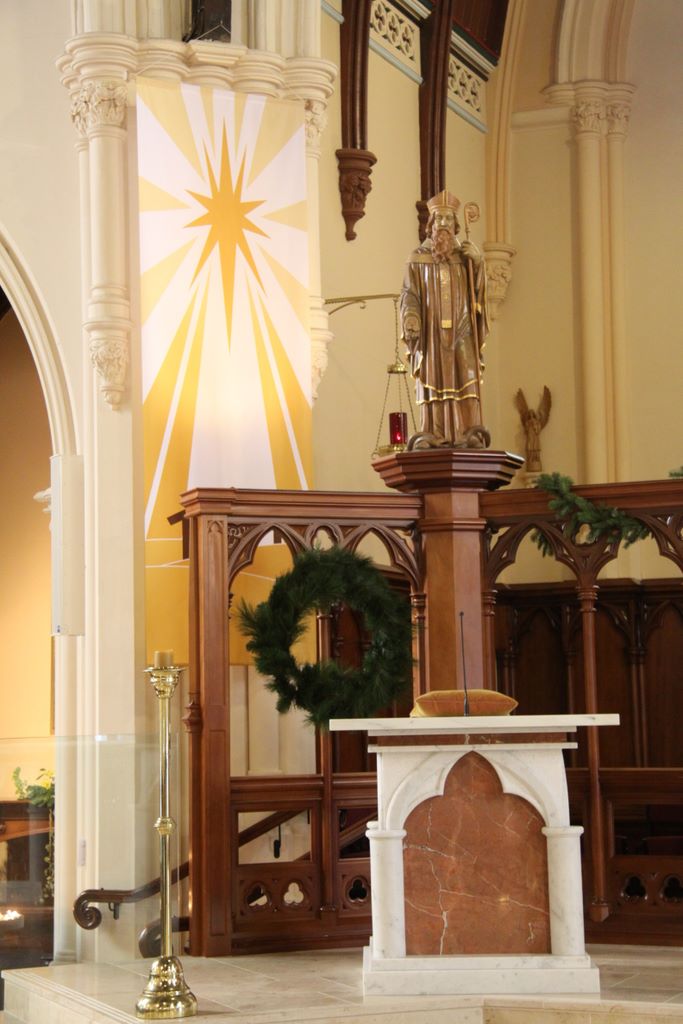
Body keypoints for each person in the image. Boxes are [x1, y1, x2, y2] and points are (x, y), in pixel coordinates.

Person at [400, 190, 489, 447]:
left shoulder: (466, 259)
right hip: (431, 334)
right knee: (433, 378)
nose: (444, 224)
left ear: (456, 225)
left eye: (449, 219)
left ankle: (470, 431)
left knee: (466, 373)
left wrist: (479, 263)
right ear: (430, 225)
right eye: (439, 219)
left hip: (463, 330)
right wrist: (412, 318)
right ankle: (433, 433)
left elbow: (480, 296)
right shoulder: (417, 259)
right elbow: (409, 293)